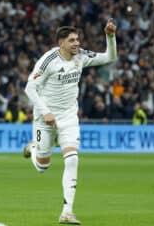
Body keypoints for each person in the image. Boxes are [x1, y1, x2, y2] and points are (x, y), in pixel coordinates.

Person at [23, 19, 117, 225]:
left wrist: (110, 36)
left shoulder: (81, 56)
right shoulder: (48, 61)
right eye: (72, 40)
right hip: (44, 118)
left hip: (68, 117)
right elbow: (29, 88)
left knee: (72, 159)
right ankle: (33, 148)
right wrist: (46, 112)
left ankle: (67, 211)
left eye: (77, 39)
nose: (77, 43)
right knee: (42, 167)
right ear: (61, 43)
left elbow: (111, 56)